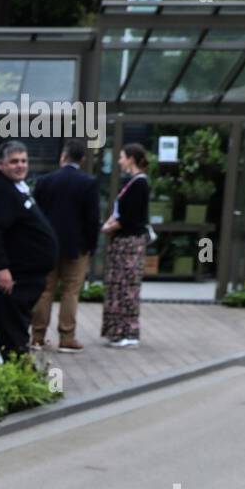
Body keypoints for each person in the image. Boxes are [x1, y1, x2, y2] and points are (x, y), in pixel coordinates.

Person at [0, 139, 58, 359]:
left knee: (18, 326)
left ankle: (20, 369)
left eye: (23, 160)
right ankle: (19, 369)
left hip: (25, 274)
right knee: (12, 329)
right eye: (14, 161)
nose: (20, 165)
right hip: (11, 277)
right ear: (1, 165)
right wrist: (1, 268)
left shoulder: (15, 187)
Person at [30, 140, 100, 353]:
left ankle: (37, 337)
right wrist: (91, 245)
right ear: (83, 159)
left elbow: (35, 216)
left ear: (63, 156)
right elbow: (92, 218)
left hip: (47, 247)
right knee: (71, 292)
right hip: (76, 247)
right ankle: (67, 338)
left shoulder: (44, 181)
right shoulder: (88, 183)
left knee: (45, 291)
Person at [101, 143, 151, 347]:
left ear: (131, 158)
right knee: (120, 284)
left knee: (126, 286)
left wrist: (110, 227)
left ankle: (126, 332)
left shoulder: (139, 184)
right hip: (123, 241)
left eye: (121, 157)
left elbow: (130, 216)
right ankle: (119, 331)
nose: (119, 161)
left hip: (129, 242)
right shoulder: (132, 182)